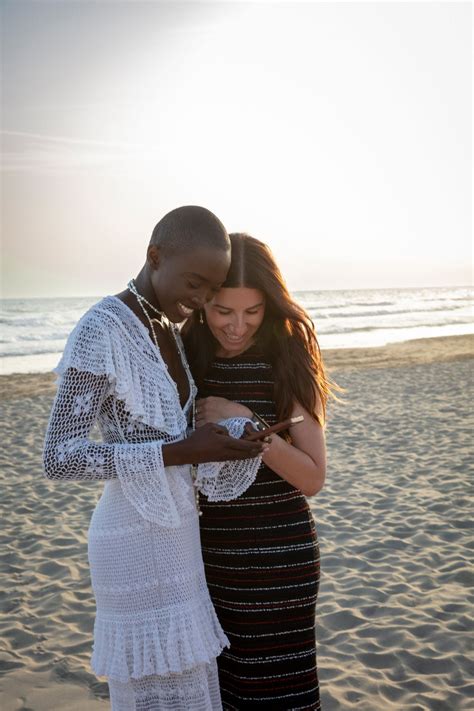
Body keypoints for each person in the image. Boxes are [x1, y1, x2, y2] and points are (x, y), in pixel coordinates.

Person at [42, 208, 267, 711]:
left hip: (179, 537)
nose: (203, 300)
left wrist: (231, 435)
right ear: (154, 256)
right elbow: (60, 457)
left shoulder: (166, 325)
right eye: (195, 282)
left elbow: (176, 437)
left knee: (190, 683)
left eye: (213, 289)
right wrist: (183, 451)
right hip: (130, 541)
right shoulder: (101, 329)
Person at [183, 233, 334, 711]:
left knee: (283, 693)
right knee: (229, 690)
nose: (236, 326)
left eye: (252, 312)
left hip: (281, 556)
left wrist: (246, 420)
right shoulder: (187, 354)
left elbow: (312, 477)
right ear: (204, 301)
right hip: (212, 557)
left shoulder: (286, 359)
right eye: (224, 311)